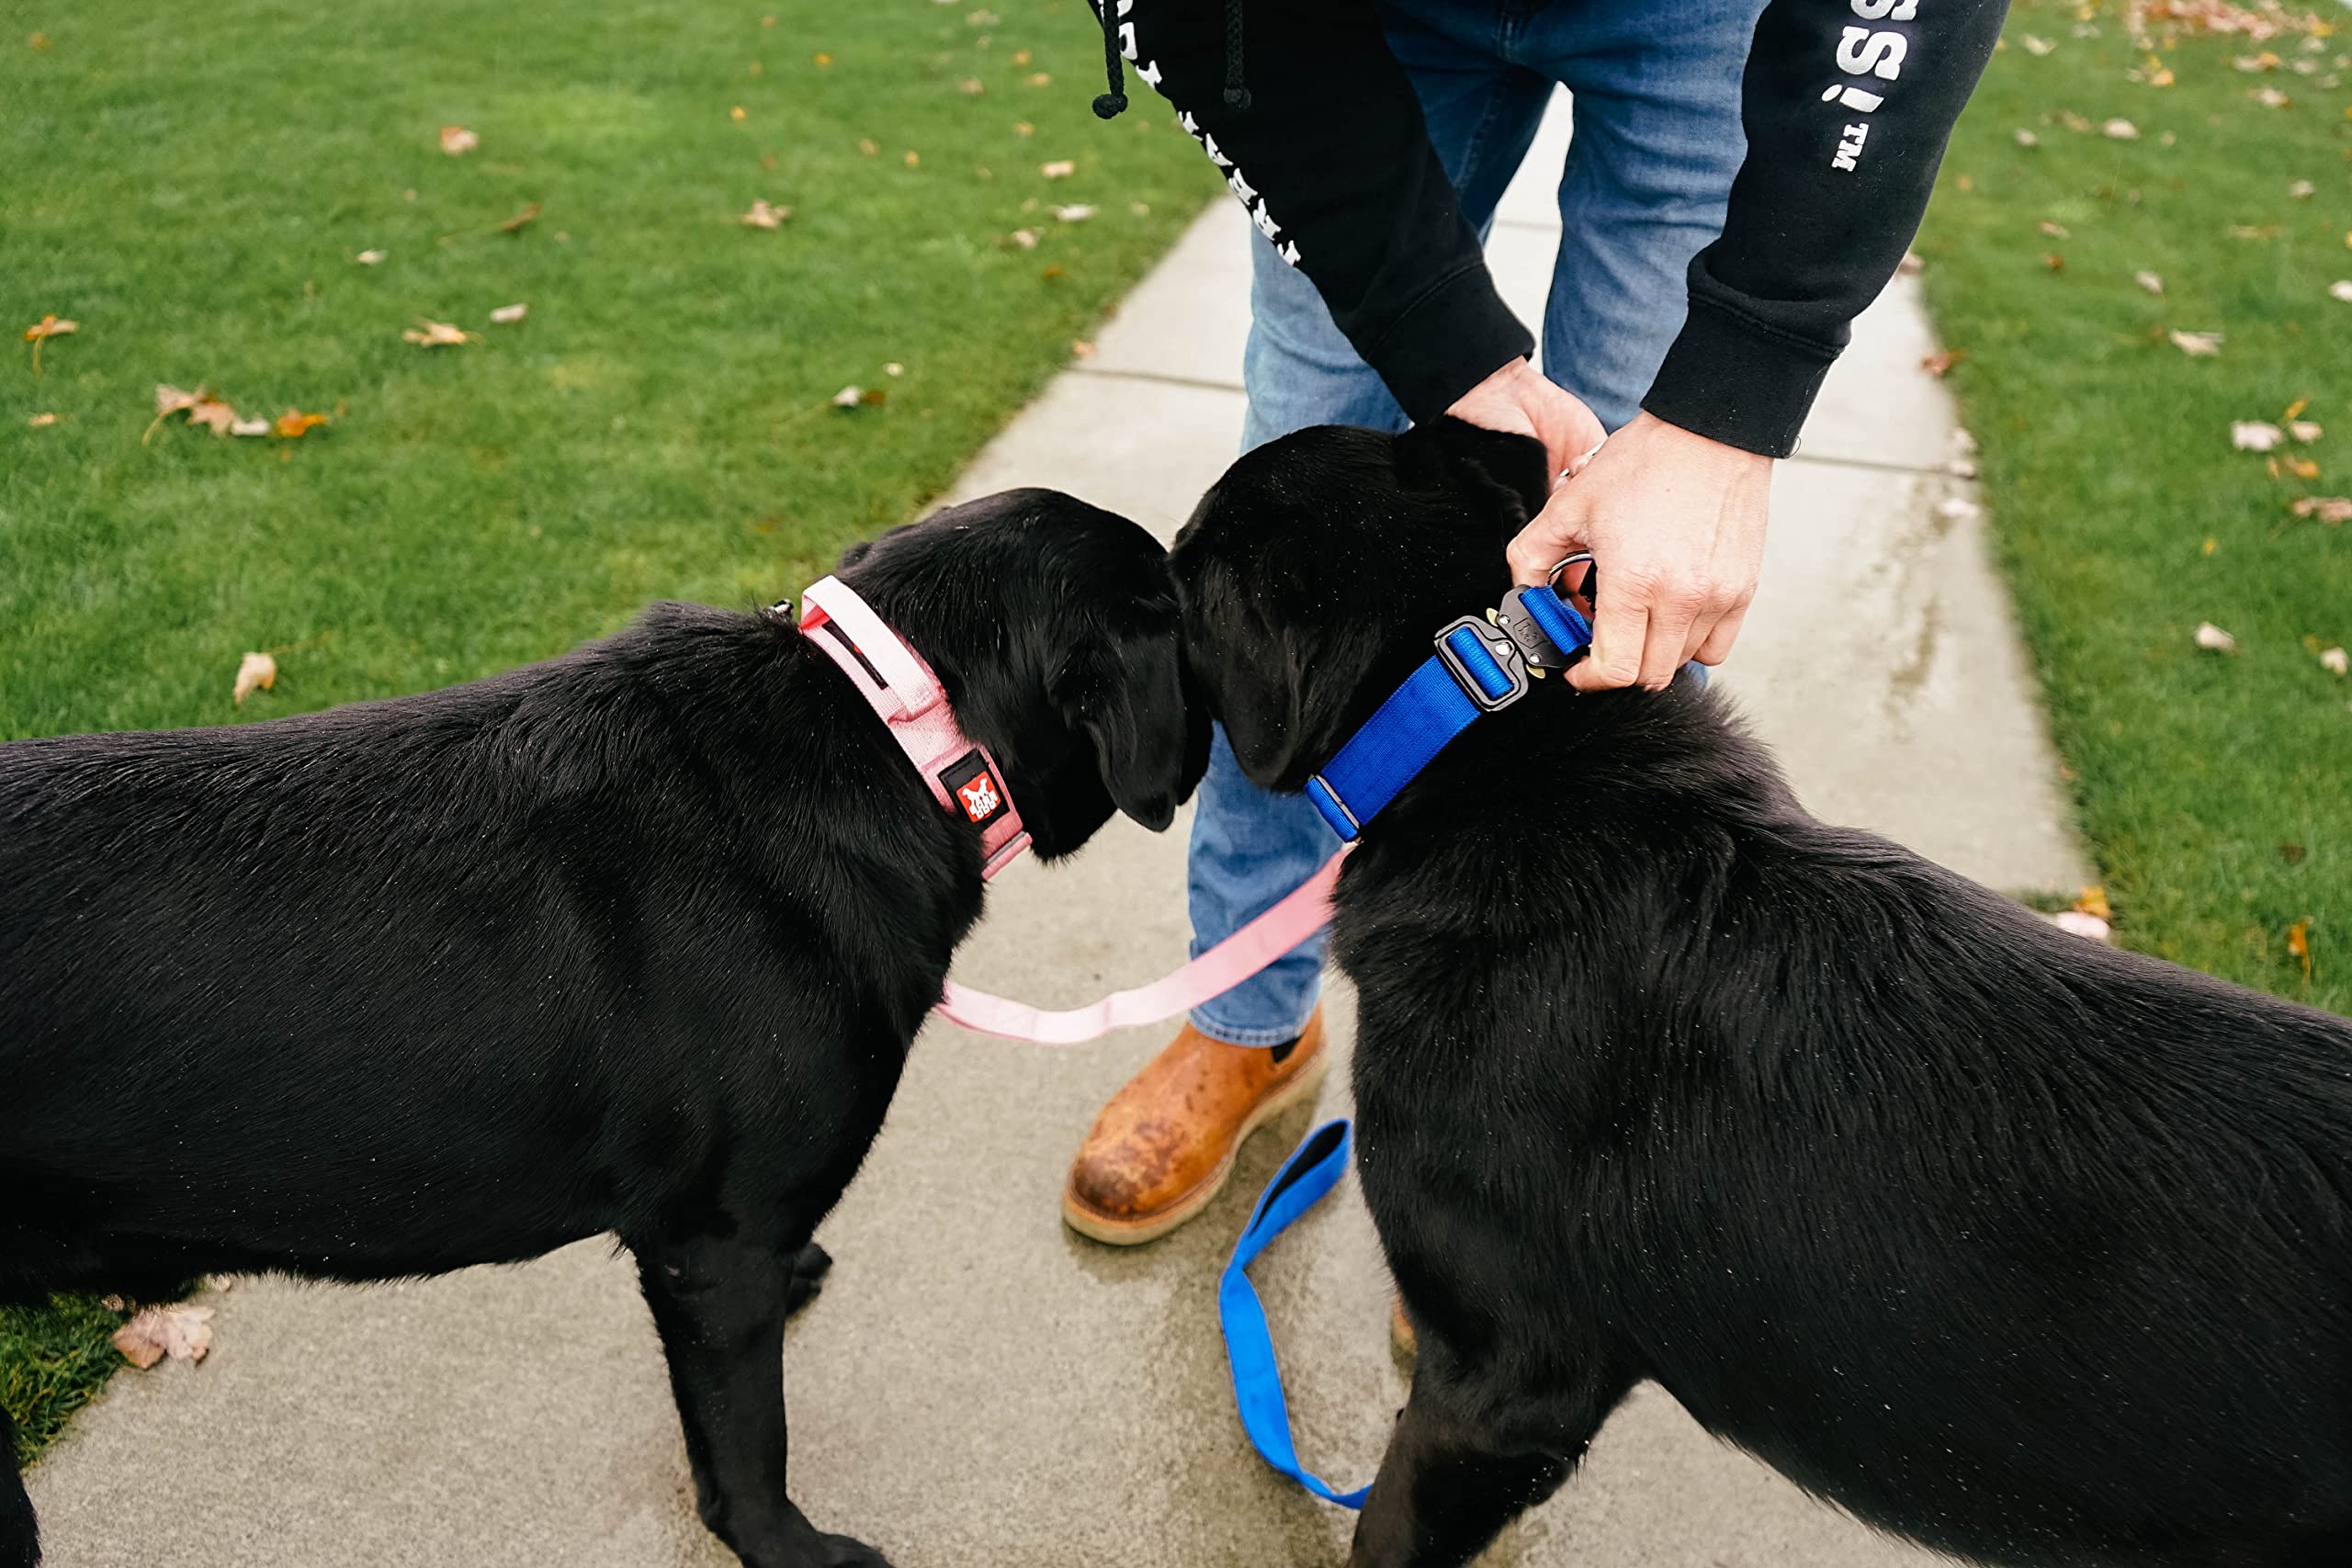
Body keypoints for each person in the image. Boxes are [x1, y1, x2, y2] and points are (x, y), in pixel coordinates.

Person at [1059, 0, 2007, 1244]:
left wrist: (1735, 397)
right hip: (1370, 20)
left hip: (1701, 23)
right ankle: (1248, 1018)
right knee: (1277, 561)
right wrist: (1439, 337)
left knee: (1618, 593)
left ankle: (1555, 1095)